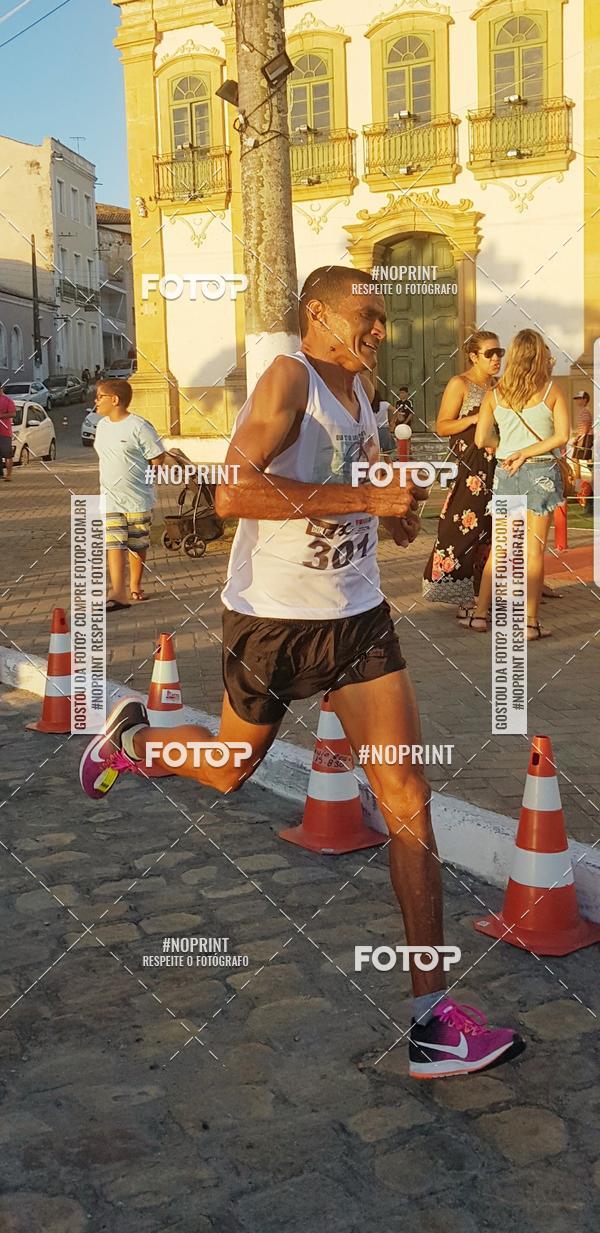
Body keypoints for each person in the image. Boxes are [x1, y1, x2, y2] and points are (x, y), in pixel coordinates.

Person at [80, 267, 523, 1080]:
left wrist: (397, 517)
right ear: (316, 315)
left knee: (406, 800)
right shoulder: (290, 376)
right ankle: (137, 738)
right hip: (273, 619)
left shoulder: (366, 399)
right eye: (367, 316)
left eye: (385, 320)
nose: (379, 331)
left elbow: (377, 520)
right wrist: (358, 498)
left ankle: (433, 1019)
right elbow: (233, 490)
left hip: (356, 619)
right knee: (226, 770)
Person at [460, 330, 569, 640]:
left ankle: (481, 615)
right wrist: (528, 452)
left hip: (507, 472)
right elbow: (562, 437)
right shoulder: (551, 391)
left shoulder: (495, 394)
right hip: (541, 473)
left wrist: (508, 447)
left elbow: (482, 439)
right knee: (534, 552)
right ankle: (530, 623)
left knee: (502, 549)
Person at [423, 331, 503, 613]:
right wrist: (474, 418)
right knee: (463, 527)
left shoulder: (500, 385)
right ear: (473, 356)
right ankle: (459, 593)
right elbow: (442, 426)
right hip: (471, 467)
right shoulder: (461, 384)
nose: (496, 359)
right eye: (489, 353)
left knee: (494, 530)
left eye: (499, 353)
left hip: (499, 464)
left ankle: (488, 591)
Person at [93, 378, 175, 610]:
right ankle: (117, 593)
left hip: (138, 498)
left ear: (115, 400)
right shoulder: (102, 426)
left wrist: (148, 483)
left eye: (100, 397)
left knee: (137, 545)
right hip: (110, 498)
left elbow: (157, 457)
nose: (95, 402)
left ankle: (135, 586)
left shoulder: (139, 426)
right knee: (114, 543)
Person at [0, 388, 16, 482]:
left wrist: (1, 416)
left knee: (7, 455)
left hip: (4, 432)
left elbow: (13, 413)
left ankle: (9, 475)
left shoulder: (8, 400)